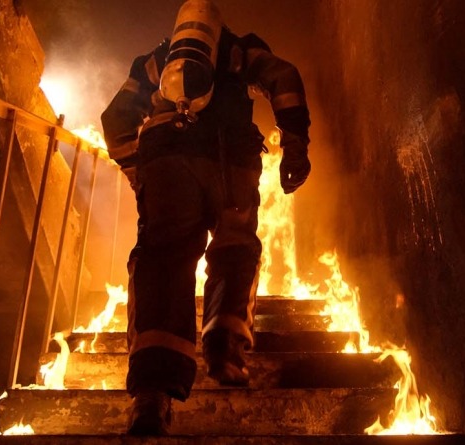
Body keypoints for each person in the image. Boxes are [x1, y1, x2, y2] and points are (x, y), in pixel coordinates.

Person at [99, 0, 311, 435]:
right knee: (235, 247)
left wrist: (138, 172)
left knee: (163, 262)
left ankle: (152, 397)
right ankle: (225, 344)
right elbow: (284, 78)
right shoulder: (241, 50)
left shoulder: (156, 60)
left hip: (167, 166)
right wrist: (295, 145)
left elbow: (116, 117)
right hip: (230, 162)